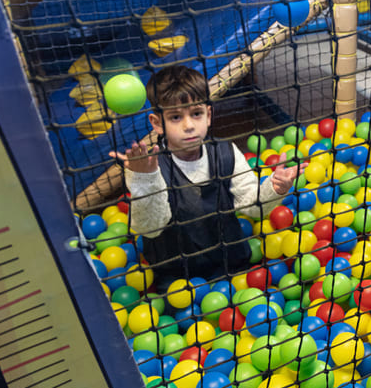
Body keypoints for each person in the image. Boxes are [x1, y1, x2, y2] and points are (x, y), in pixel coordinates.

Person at [110, 65, 303, 285]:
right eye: (175, 117)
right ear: (157, 124)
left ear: (208, 115)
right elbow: (149, 229)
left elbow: (251, 206)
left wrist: (275, 187)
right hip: (176, 274)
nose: (189, 125)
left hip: (229, 262)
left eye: (196, 114)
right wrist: (145, 179)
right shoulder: (147, 167)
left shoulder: (226, 152)